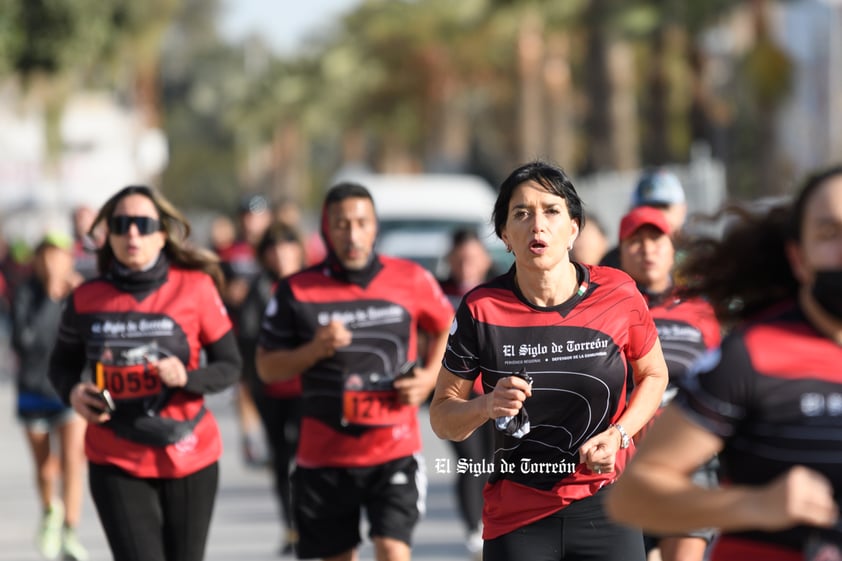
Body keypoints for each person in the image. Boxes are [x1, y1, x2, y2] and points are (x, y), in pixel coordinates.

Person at [429, 160, 669, 561]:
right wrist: (487, 405)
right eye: (521, 214)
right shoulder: (481, 308)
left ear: (574, 228)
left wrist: (620, 435)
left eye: (551, 211)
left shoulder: (618, 292)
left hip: (607, 504)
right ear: (505, 235)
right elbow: (442, 417)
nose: (537, 225)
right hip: (518, 514)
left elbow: (654, 374)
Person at [605, 164, 842, 560]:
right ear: (798, 259)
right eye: (829, 233)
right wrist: (756, 505)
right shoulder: (754, 355)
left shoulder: (701, 314)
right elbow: (632, 496)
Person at [256, 181, 454, 561]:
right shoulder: (296, 290)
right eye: (341, 224)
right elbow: (267, 367)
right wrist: (315, 349)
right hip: (325, 454)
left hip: (394, 448)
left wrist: (430, 377)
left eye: (362, 222)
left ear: (375, 226)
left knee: (393, 551)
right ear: (326, 229)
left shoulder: (410, 278)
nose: (353, 233)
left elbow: (446, 325)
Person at [47, 185, 242, 561]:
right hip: (115, 455)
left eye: (142, 224)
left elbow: (230, 366)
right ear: (109, 236)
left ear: (162, 234)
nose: (132, 234)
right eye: (121, 225)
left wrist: (187, 378)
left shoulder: (196, 287)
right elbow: (61, 365)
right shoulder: (87, 298)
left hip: (188, 452)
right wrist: (73, 392)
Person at [616, 206, 722, 561]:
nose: (647, 250)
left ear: (672, 248)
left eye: (656, 240)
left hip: (690, 459)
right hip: (623, 461)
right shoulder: (608, 306)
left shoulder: (700, 308)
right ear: (621, 249)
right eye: (636, 241)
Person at [12, 233, 88, 561]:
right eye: (43, 256)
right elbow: (24, 342)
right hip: (34, 390)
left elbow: (93, 337)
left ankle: (70, 529)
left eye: (56, 256)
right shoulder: (26, 293)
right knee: (46, 469)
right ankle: (49, 512)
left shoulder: (81, 293)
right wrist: (50, 298)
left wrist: (76, 298)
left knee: (73, 458)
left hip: (71, 389)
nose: (49, 263)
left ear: (69, 258)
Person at [237, 221, 307, 556]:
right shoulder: (259, 289)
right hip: (271, 387)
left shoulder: (314, 284)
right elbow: (248, 336)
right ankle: (291, 525)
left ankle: (311, 519)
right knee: (281, 458)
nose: (280, 254)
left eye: (287, 246)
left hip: (308, 389)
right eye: (273, 249)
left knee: (306, 454)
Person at [438, 228, 496, 559]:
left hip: (495, 389)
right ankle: (474, 529)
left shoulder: (498, 291)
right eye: (460, 259)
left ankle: (492, 521)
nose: (466, 265)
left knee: (493, 461)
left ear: (486, 259)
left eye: (472, 258)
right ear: (449, 260)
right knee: (471, 461)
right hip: (456, 391)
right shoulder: (438, 291)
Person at [218, 193, 274, 467]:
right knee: (246, 386)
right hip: (240, 330)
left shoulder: (279, 247)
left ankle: (272, 434)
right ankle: (251, 438)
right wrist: (228, 292)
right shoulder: (229, 252)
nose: (252, 223)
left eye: (258, 216)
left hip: (274, 330)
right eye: (248, 216)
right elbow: (214, 286)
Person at [600, 168, 688, 269]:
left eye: (663, 207)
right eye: (646, 207)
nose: (655, 214)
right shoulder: (611, 264)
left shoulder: (700, 256)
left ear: (682, 209)